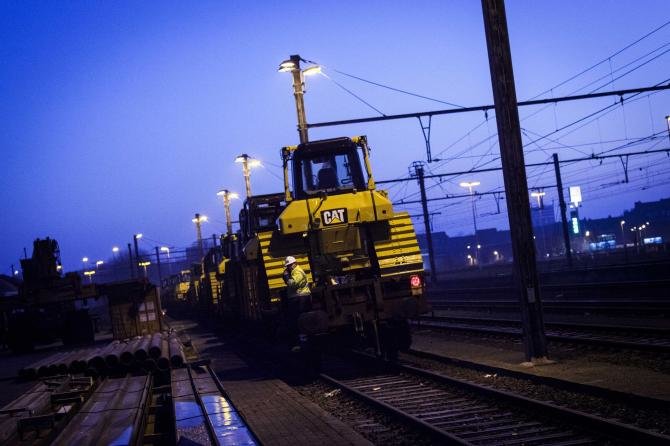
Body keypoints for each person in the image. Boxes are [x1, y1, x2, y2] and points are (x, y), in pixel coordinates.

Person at [282, 256, 311, 351]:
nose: (288, 268)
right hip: (299, 298)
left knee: (300, 320)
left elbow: (293, 284)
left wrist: (286, 277)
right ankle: (302, 341)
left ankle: (304, 341)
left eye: (289, 265)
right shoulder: (294, 272)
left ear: (294, 264)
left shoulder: (297, 271)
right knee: (297, 320)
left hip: (301, 298)